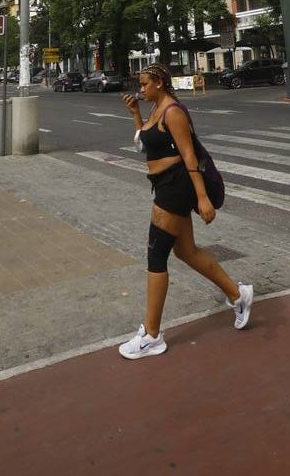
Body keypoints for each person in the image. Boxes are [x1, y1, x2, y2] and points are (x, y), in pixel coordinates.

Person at [117, 61, 252, 360]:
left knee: (156, 255)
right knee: (186, 251)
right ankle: (238, 294)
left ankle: (152, 335)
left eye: (144, 84)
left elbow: (190, 155)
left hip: (176, 186)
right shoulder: (155, 110)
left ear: (159, 84)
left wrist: (202, 198)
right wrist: (136, 115)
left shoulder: (173, 112)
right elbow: (146, 146)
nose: (140, 89)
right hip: (164, 185)